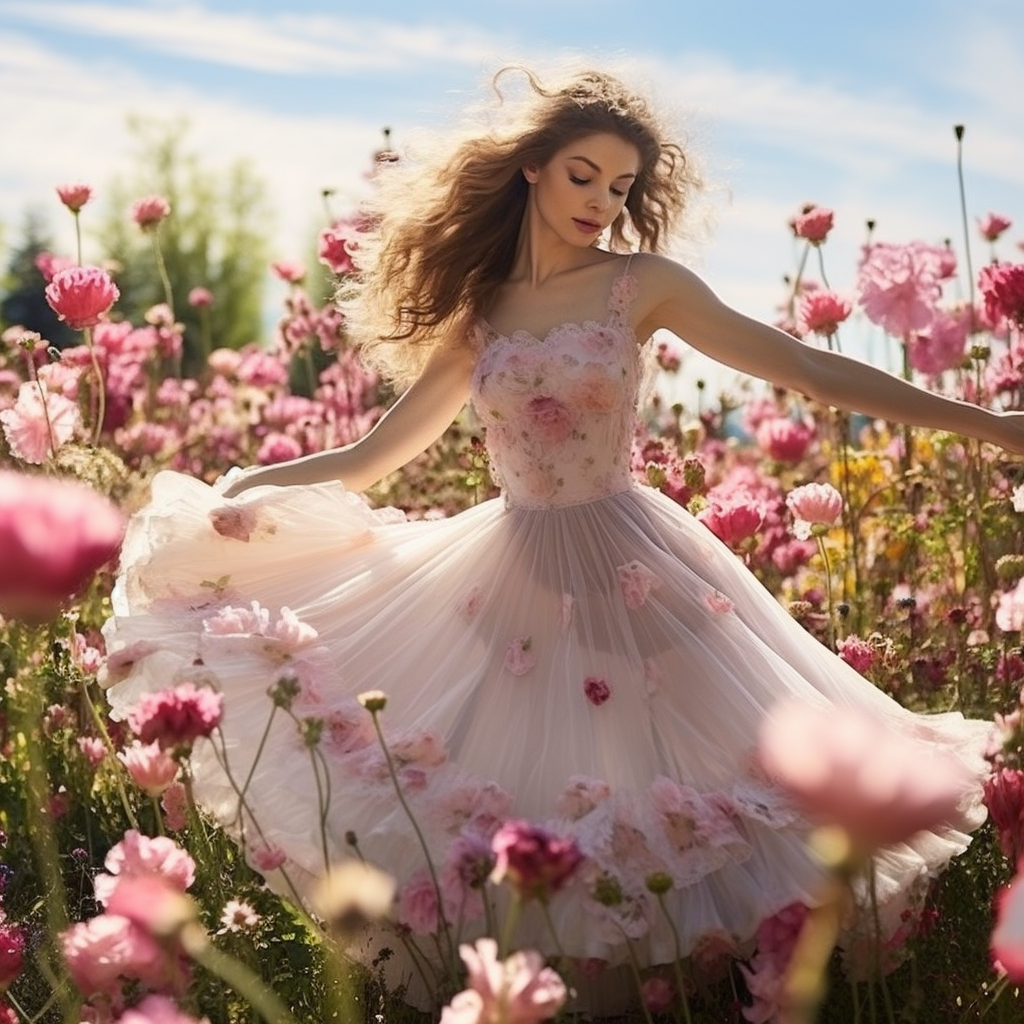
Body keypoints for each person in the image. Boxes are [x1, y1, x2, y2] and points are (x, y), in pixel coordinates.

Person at [102, 65, 1022, 1013]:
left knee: (684, 773)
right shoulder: (483, 313)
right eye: (583, 175)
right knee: (535, 786)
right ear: (533, 168)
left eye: (620, 187)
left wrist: (995, 425)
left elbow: (803, 369)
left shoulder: (641, 285)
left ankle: (698, 979)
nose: (601, 202)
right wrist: (259, 482)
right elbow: (377, 454)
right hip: (513, 571)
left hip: (634, 562)